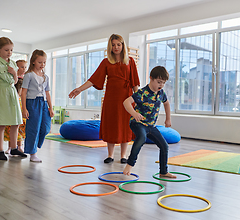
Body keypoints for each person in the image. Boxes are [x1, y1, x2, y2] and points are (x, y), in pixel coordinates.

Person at [69, 34, 140, 164]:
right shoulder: (106, 62)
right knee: (111, 124)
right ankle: (110, 155)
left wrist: (139, 101)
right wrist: (79, 89)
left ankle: (123, 156)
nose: (116, 47)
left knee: (125, 125)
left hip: (127, 98)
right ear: (110, 47)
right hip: (111, 98)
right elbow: (94, 79)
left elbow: (135, 82)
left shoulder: (130, 61)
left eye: (118, 44)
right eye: (113, 45)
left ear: (123, 46)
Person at [122, 66, 176, 178]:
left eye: (163, 83)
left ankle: (163, 171)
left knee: (164, 146)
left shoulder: (161, 93)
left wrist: (168, 118)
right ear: (151, 78)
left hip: (151, 126)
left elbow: (166, 103)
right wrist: (134, 114)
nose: (161, 85)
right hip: (138, 123)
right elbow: (126, 102)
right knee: (141, 138)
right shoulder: (142, 92)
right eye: (159, 82)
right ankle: (129, 164)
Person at [0, 37, 27, 160]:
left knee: (15, 122)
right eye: (6, 50)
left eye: (11, 50)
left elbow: (15, 81)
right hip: (2, 93)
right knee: (1, 124)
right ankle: (0, 150)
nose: (9, 52)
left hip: (12, 92)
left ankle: (14, 148)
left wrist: (15, 73)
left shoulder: (13, 63)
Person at [22, 50, 54, 162]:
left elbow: (47, 93)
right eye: (40, 62)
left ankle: (35, 145)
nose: (42, 65)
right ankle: (33, 153)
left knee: (46, 127)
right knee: (33, 128)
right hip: (32, 102)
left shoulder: (46, 77)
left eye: (44, 62)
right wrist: (24, 108)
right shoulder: (29, 75)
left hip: (44, 103)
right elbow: (23, 92)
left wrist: (51, 107)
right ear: (34, 62)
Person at [5, 60, 27, 154]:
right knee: (11, 125)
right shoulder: (12, 78)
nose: (24, 69)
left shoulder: (26, 78)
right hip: (12, 103)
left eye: (25, 67)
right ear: (16, 67)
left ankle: (19, 146)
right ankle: (10, 146)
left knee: (20, 126)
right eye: (22, 67)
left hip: (21, 104)